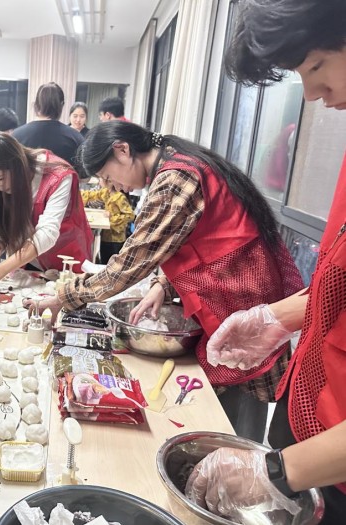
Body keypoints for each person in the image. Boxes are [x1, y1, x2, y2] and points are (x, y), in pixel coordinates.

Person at [30, 120, 304, 442]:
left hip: (239, 295)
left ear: (122, 150)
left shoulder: (175, 178)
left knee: (239, 393)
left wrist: (65, 296)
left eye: (107, 176)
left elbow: (130, 263)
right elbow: (187, 237)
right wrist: (163, 283)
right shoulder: (176, 162)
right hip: (232, 288)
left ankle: (242, 457)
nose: (112, 187)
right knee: (231, 379)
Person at [184, 1, 346, 523]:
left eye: (317, 66)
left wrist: (276, 471)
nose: (312, 94)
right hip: (309, 413)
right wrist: (282, 316)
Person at [0, 132, 93, 290]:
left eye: (0, 179)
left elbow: (47, 233)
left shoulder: (58, 176)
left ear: (16, 165)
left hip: (65, 262)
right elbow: (1, 229)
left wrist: (0, 269)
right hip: (26, 263)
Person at [12, 82, 84, 169]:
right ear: (62, 105)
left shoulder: (16, 136)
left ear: (36, 104)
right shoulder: (75, 137)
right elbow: (83, 174)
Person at [80, 183, 135, 260]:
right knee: (104, 258)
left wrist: (112, 217)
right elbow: (92, 194)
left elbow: (130, 215)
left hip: (116, 238)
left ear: (110, 181)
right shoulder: (105, 192)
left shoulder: (119, 197)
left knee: (111, 261)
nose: (99, 182)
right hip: (105, 236)